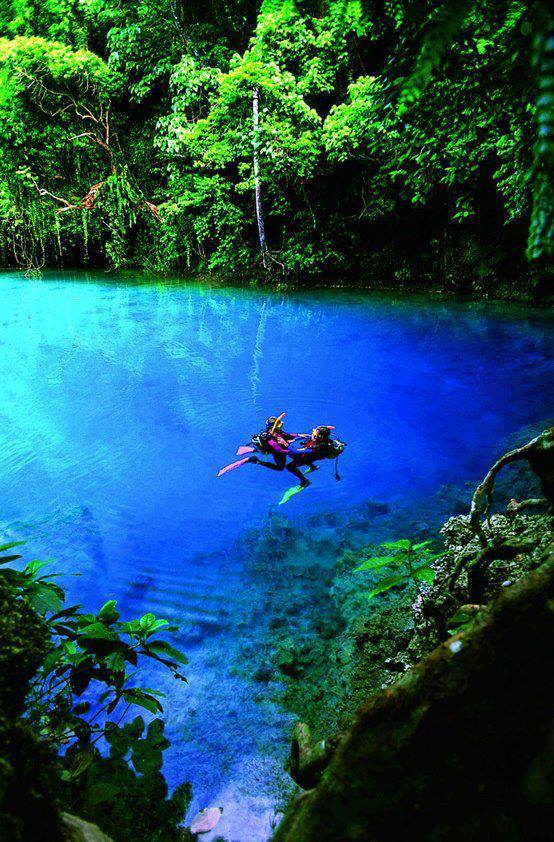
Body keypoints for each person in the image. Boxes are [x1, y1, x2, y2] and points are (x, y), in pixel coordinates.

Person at [249, 415, 310, 484]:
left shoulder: (277, 431)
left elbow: (288, 435)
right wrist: (291, 451)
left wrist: (299, 435)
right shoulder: (270, 439)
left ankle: (310, 470)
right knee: (280, 467)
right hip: (277, 453)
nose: (281, 427)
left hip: (284, 448)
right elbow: (279, 450)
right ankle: (258, 461)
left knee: (298, 457)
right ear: (273, 427)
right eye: (280, 426)